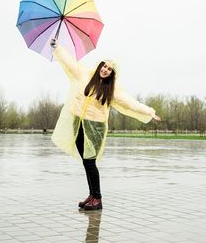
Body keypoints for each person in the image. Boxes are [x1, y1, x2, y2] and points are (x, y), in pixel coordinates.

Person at [50, 38, 161, 210]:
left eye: (109, 69)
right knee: (85, 162)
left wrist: (149, 111)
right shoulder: (85, 74)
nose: (105, 70)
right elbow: (70, 62)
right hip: (78, 123)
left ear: (112, 74)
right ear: (100, 65)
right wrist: (57, 47)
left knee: (90, 161)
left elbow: (130, 102)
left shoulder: (112, 90)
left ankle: (98, 198)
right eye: (104, 66)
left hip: (95, 128)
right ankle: (92, 195)